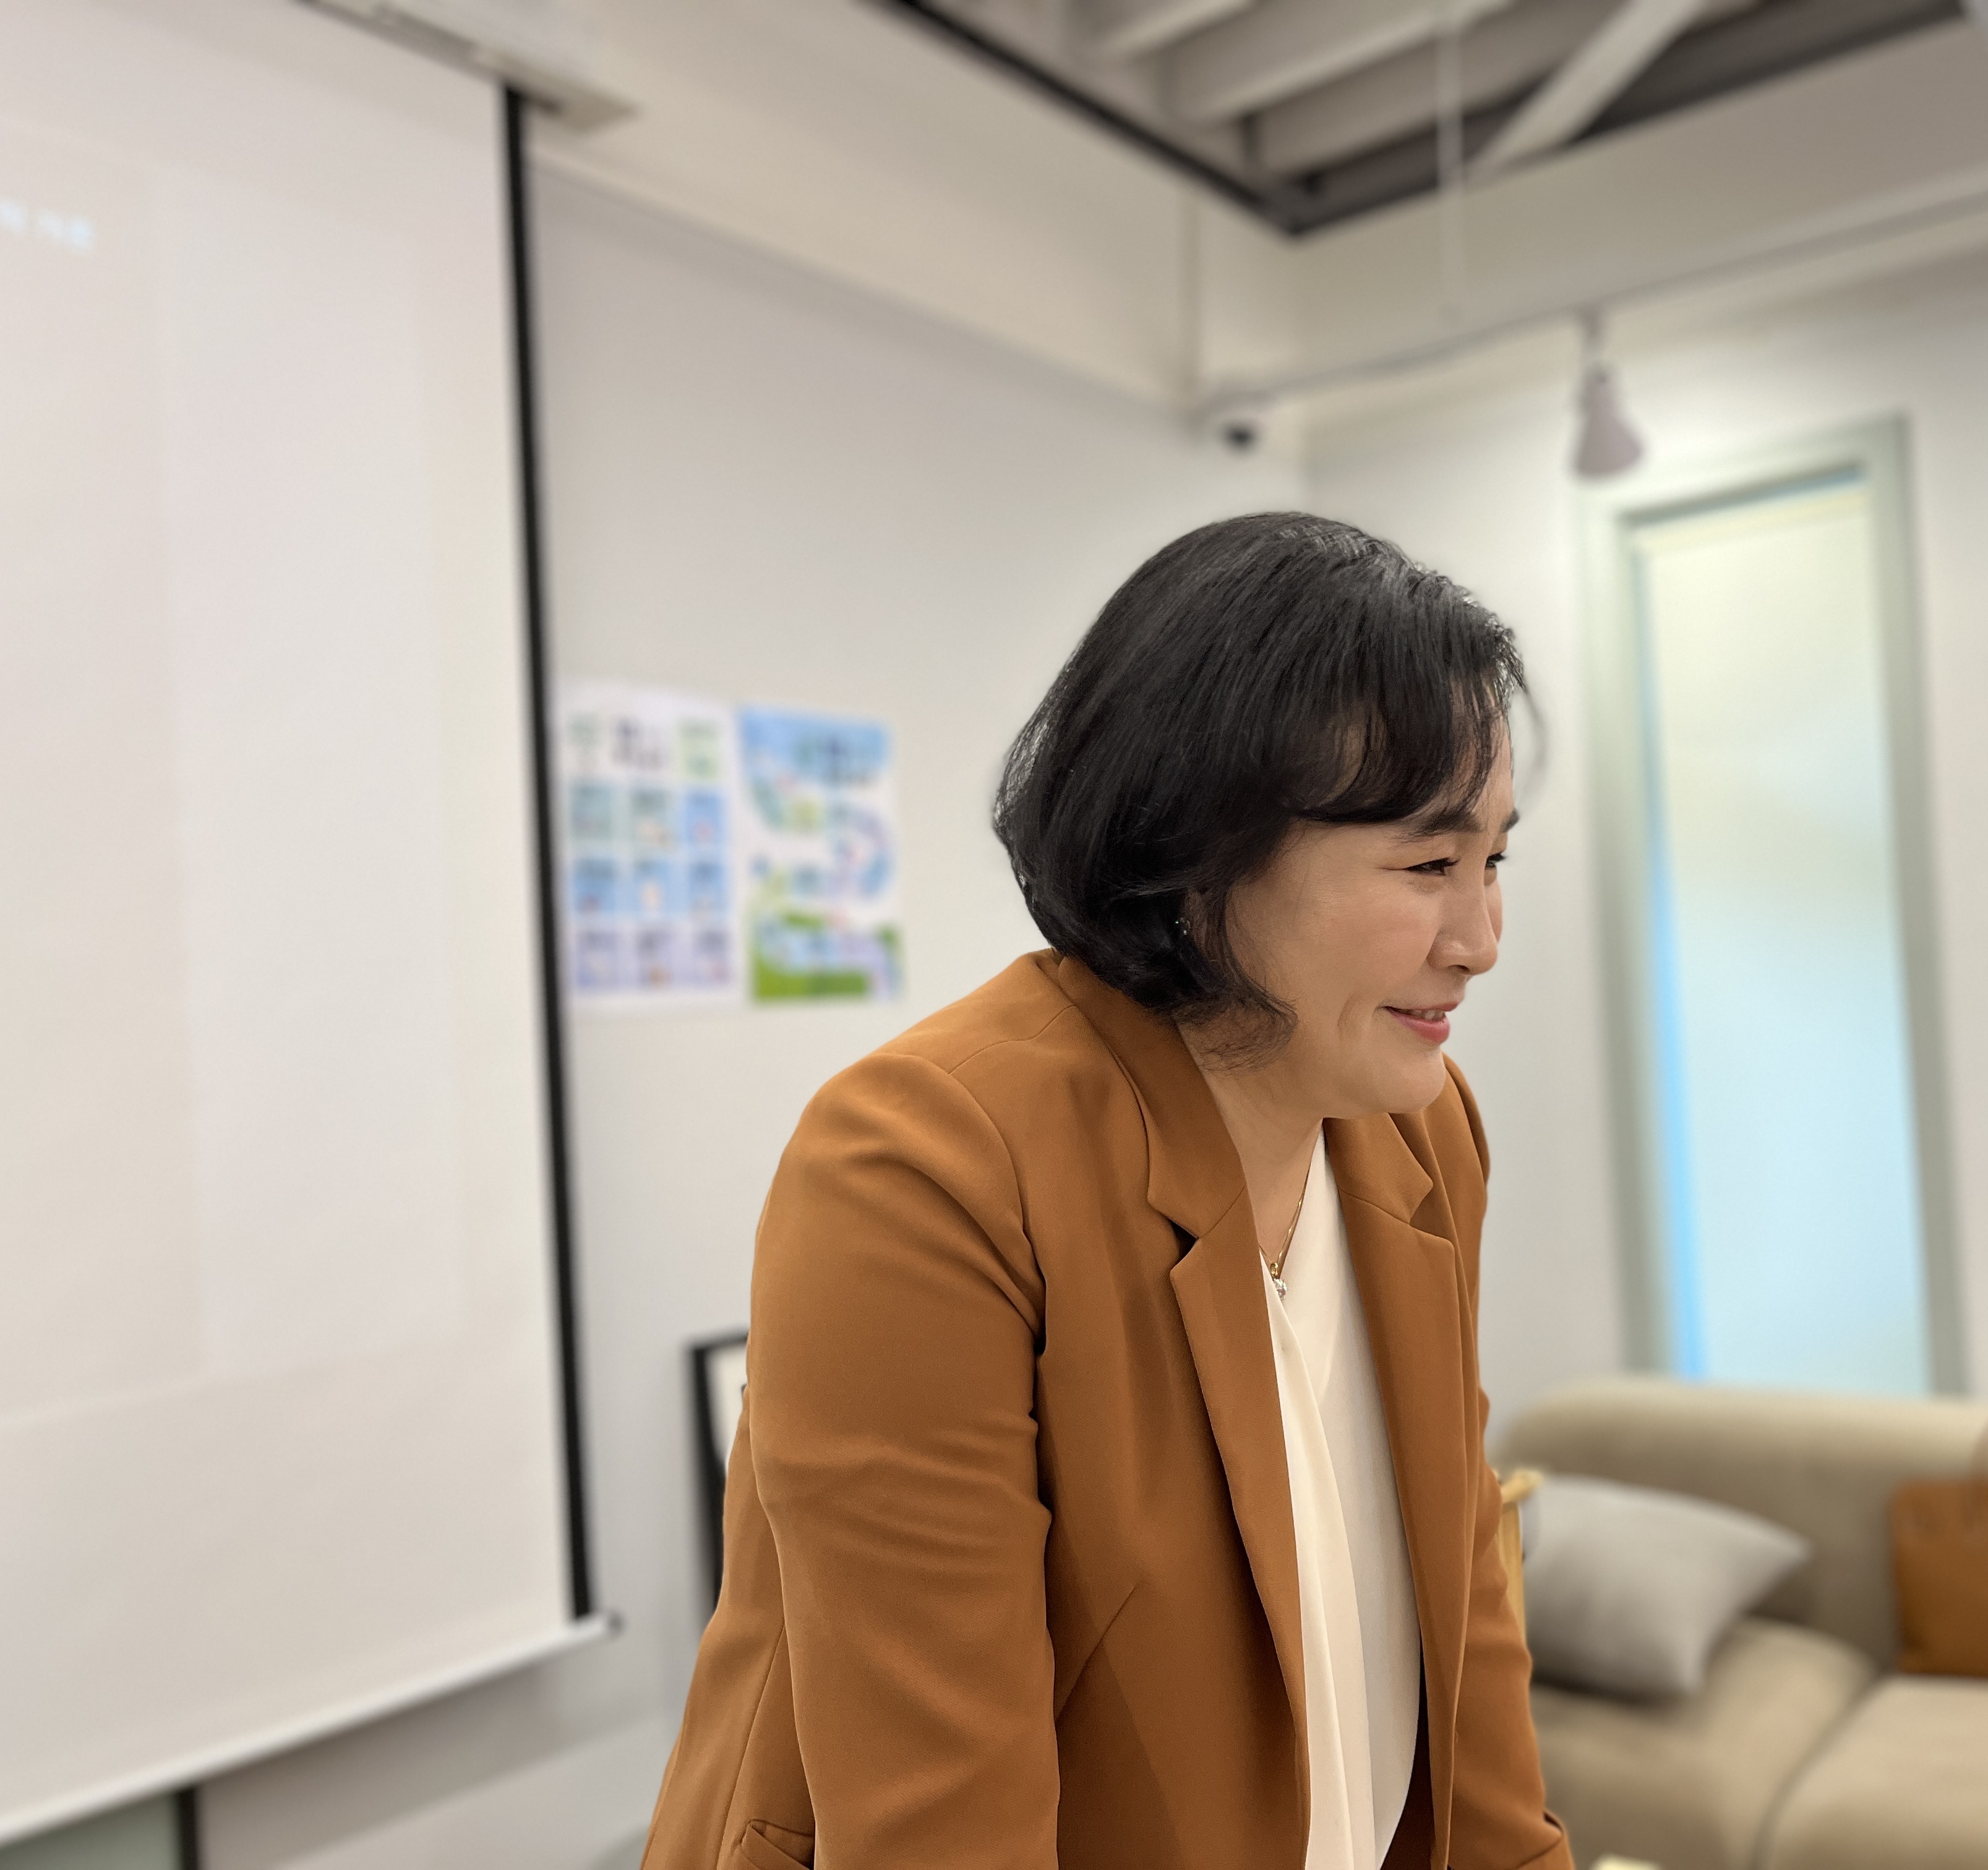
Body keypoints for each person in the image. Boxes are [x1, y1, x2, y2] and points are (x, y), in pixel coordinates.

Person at [641, 513, 1570, 1870]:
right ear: (1200, 854)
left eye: (1495, 861)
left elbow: (1466, 1594)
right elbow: (941, 1832)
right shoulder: (922, 1169)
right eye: (1428, 865)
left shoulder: (1420, 1132)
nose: (1480, 938)